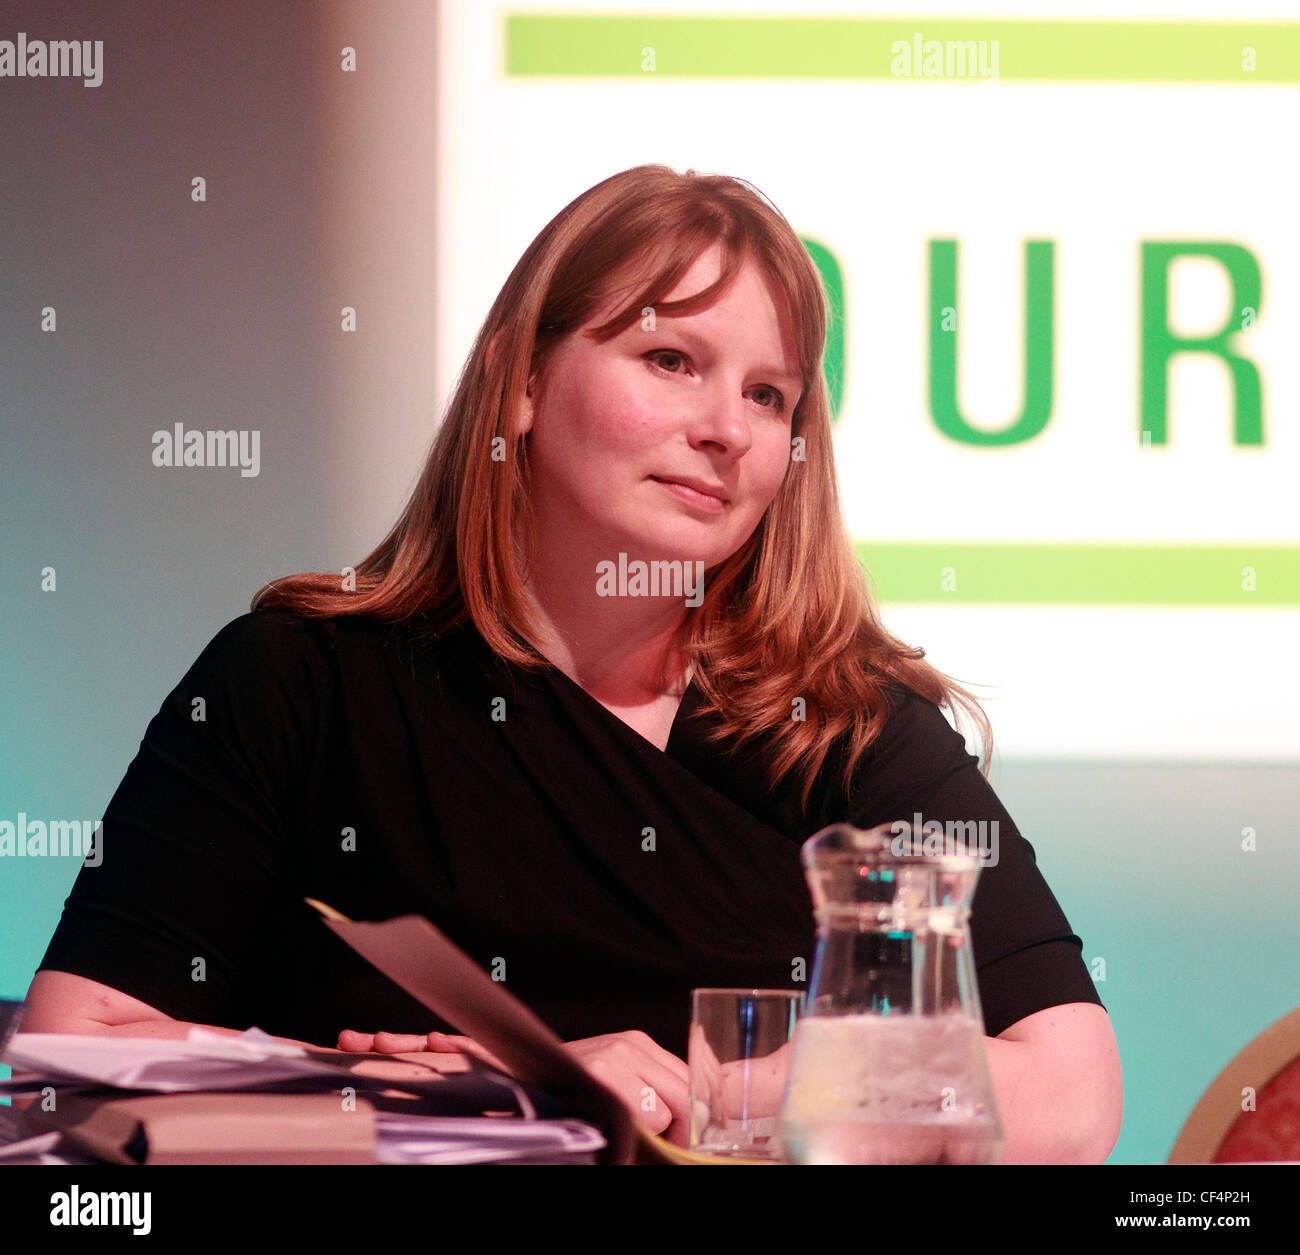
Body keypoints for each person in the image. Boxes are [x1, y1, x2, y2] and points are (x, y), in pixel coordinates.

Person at [22, 164, 1121, 1161]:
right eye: (671, 359)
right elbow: (73, 1059)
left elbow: (1073, 1099)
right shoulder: (297, 680)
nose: (726, 428)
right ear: (523, 388)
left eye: (767, 395)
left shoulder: (843, 718)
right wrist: (503, 1096)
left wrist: (735, 1089)